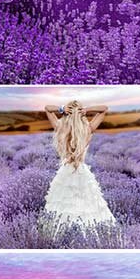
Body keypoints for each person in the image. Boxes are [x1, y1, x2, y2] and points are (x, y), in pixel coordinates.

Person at [40, 102, 117, 238]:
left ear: (67, 114)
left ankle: (58, 236)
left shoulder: (60, 128)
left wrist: (61, 109)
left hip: (65, 173)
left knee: (61, 205)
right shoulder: (88, 129)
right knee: (89, 205)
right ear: (81, 114)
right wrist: (87, 109)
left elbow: (47, 108)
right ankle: (90, 236)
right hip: (82, 173)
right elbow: (104, 108)